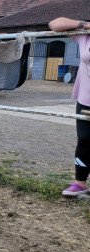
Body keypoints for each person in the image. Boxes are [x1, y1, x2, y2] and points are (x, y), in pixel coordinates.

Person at [48, 17, 90, 196]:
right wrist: (84, 25)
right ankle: (80, 183)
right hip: (86, 97)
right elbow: (54, 24)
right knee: (84, 139)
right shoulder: (85, 35)